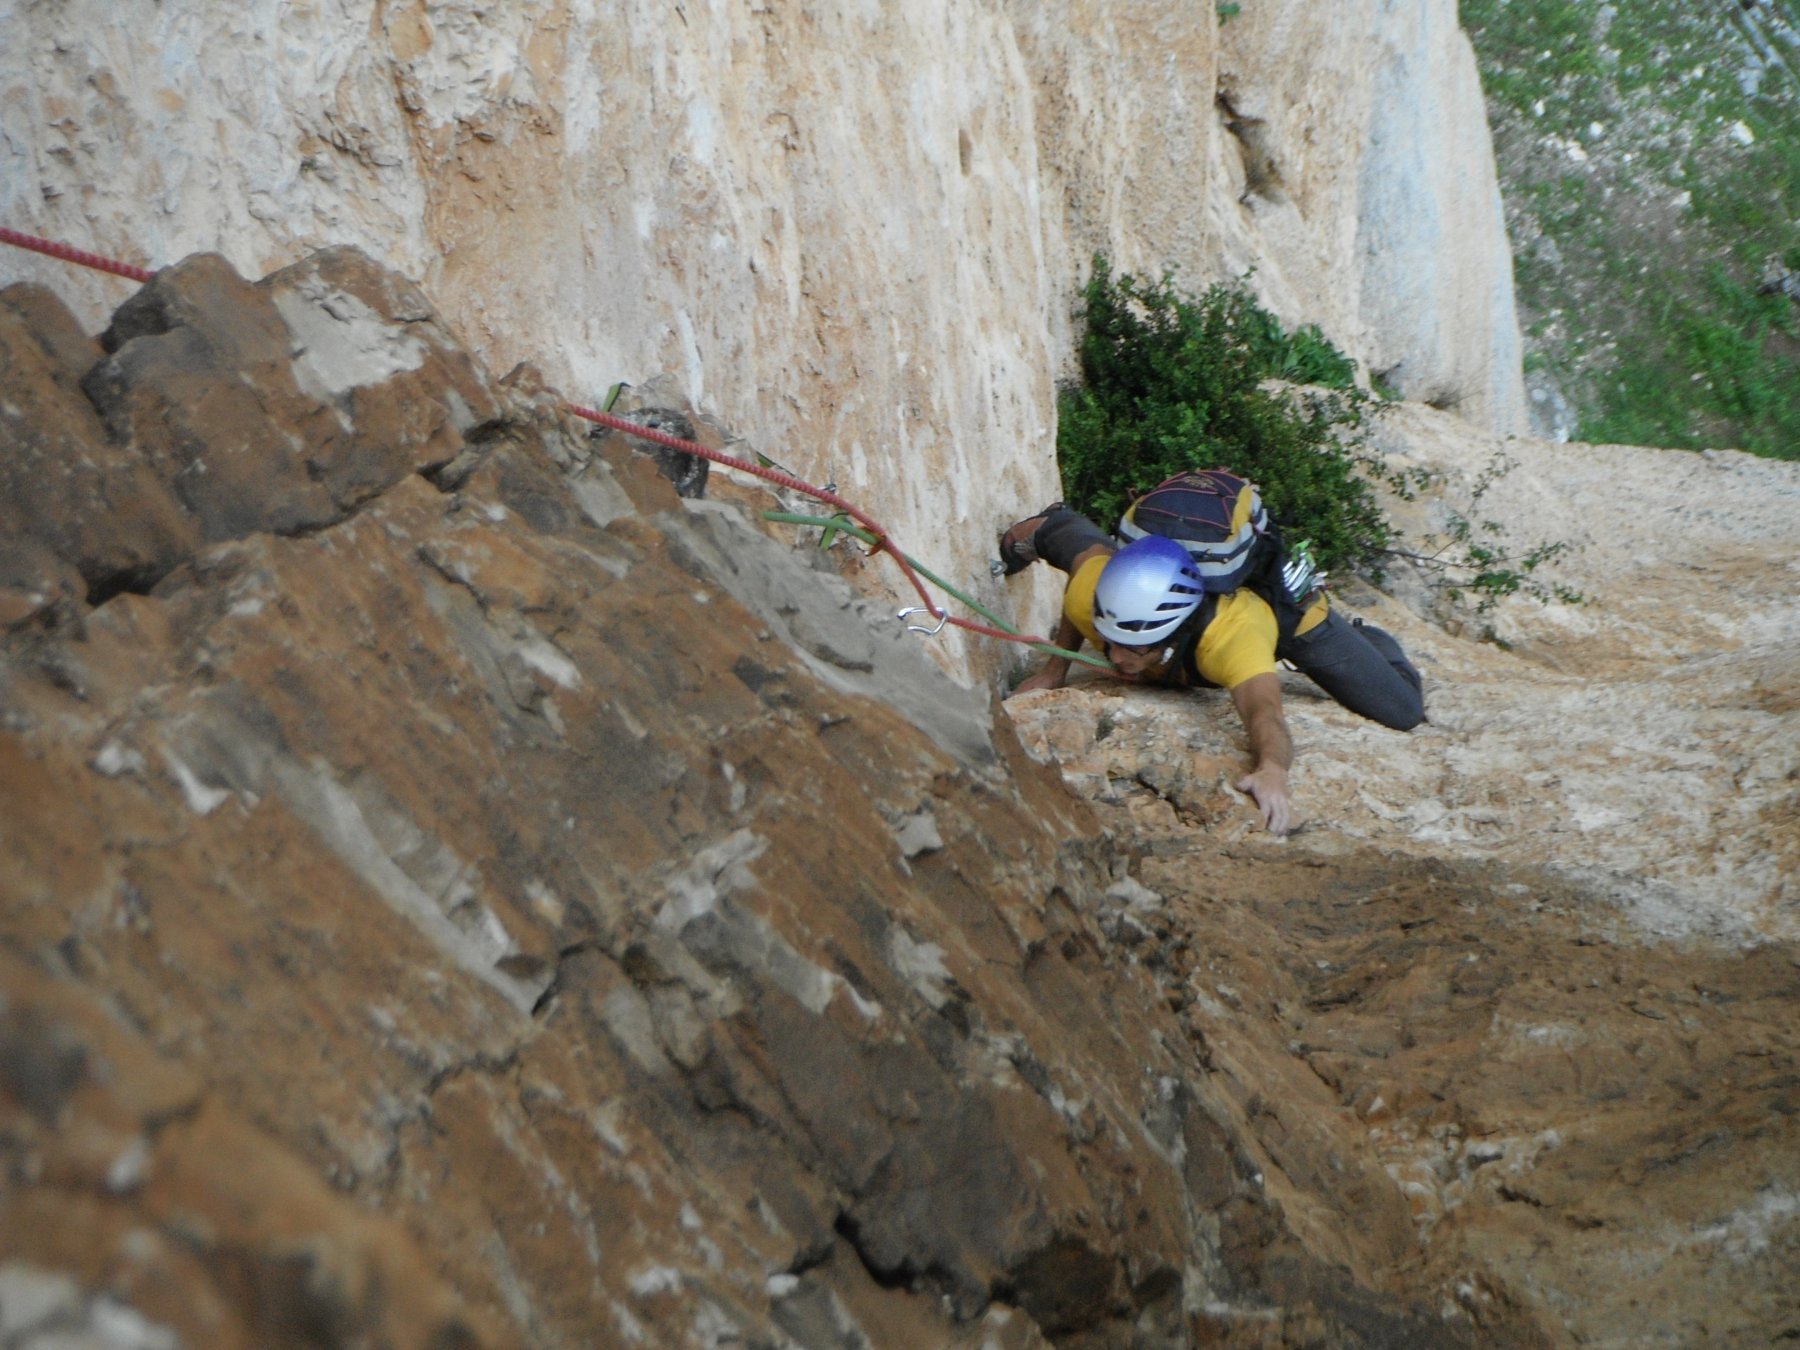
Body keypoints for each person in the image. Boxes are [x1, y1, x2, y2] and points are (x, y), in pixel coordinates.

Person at [998, 501, 1424, 835]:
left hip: (1287, 615)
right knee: (1080, 548)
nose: (1115, 659)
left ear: (1171, 633)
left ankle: (1365, 639)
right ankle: (1053, 521)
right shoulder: (1094, 594)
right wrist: (1055, 670)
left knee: (1401, 709)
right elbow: (1084, 566)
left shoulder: (1233, 637)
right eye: (1110, 643)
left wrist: (1272, 769)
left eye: (1133, 649)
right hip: (1149, 568)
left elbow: (1264, 712)